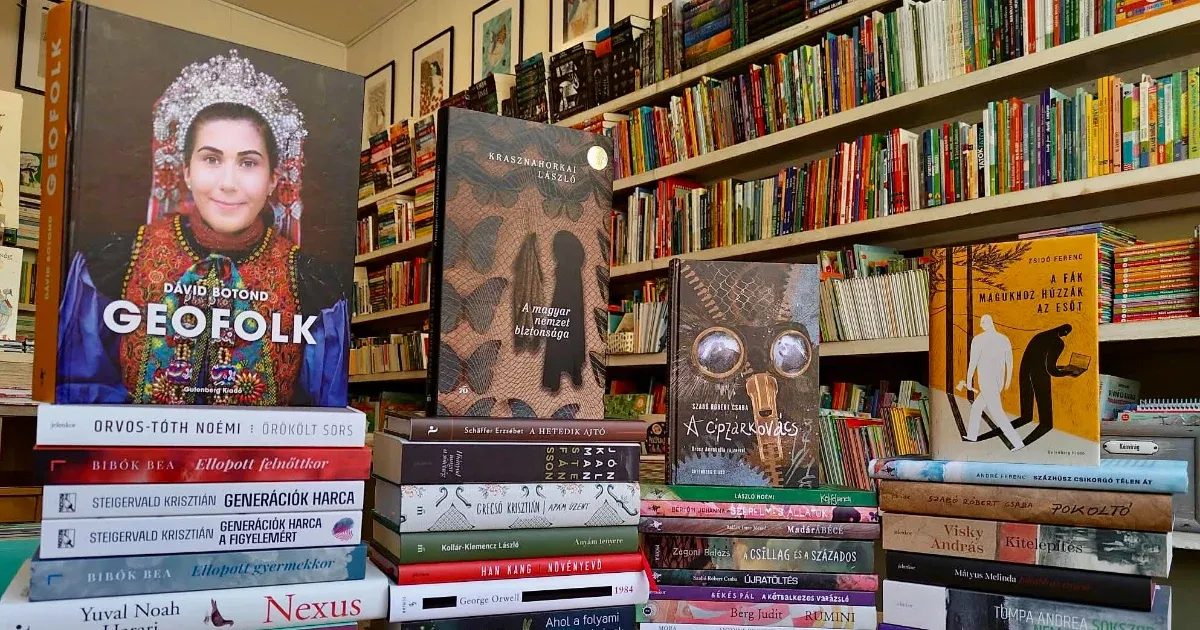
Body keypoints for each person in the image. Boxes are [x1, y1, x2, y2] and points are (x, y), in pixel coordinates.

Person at [56, 50, 347, 406]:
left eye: (248, 163)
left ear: (273, 179)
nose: (228, 183)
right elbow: (80, 393)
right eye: (211, 159)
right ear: (186, 172)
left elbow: (324, 414)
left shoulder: (311, 282)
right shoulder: (115, 262)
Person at [1009, 323, 1085, 444]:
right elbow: (1051, 370)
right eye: (1066, 333)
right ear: (1064, 331)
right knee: (1046, 422)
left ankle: (1014, 431)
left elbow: (1040, 359)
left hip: (1025, 371)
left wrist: (1062, 368)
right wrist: (1068, 372)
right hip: (1040, 375)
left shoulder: (1040, 336)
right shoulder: (1058, 342)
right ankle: (1027, 441)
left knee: (1026, 416)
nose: (1066, 336)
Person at [958, 314, 1025, 450]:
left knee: (997, 413)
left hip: (987, 382)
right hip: (997, 382)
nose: (980, 325)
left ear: (988, 322)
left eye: (982, 322)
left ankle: (1018, 443)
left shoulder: (978, 340)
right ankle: (972, 435)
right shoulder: (1003, 339)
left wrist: (969, 380)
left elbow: (973, 362)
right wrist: (1007, 380)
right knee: (976, 408)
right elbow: (1009, 362)